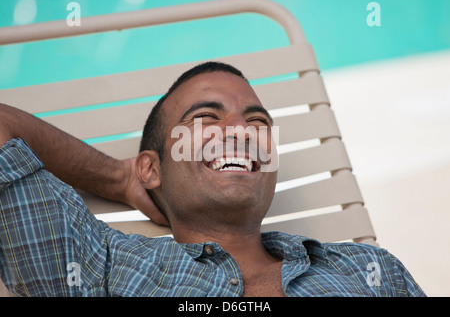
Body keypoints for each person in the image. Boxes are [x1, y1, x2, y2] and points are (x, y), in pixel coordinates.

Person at [0, 62, 425, 297]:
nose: (241, 132)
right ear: (152, 168)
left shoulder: (369, 269)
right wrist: (119, 178)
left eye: (256, 122)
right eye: (205, 118)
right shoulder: (101, 266)